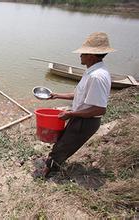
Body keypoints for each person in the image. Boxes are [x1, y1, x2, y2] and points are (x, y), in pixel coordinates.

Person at [38, 32, 116, 178]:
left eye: (82, 54)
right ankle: (53, 164)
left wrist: (70, 114)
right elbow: (81, 95)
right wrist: (57, 95)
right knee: (62, 141)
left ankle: (48, 173)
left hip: (86, 121)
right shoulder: (92, 72)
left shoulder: (96, 77)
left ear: (91, 56)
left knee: (62, 147)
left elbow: (100, 109)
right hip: (81, 117)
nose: (80, 56)